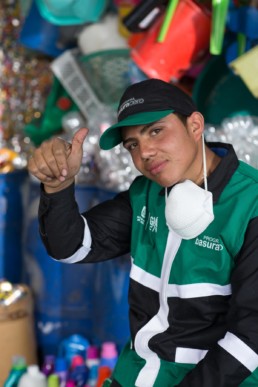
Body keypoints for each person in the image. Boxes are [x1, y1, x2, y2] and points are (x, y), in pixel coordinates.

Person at [28, 78, 258, 387]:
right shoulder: (146, 194)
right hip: (137, 375)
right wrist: (58, 186)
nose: (145, 152)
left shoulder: (250, 204)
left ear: (195, 125)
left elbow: (252, 336)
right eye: (133, 144)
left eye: (156, 131)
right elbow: (70, 246)